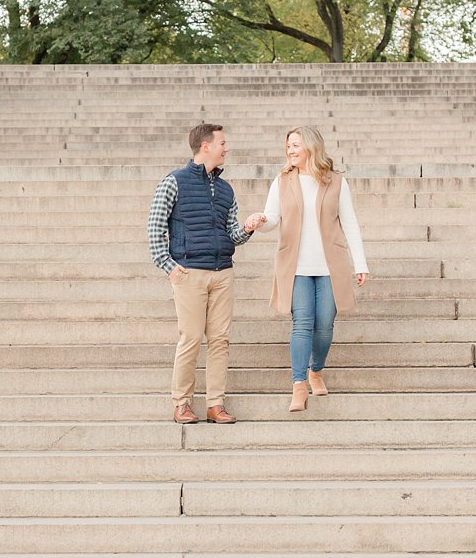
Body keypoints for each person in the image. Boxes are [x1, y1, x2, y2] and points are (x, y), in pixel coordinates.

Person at [246, 126, 368, 413]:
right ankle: (299, 384)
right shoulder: (282, 181)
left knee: (324, 325)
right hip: (296, 266)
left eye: (296, 145)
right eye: (288, 145)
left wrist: (360, 263)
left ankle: (316, 371)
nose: (290, 150)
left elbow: (349, 223)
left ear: (311, 147)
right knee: (302, 324)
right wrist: (261, 222)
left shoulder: (336, 182)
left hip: (330, 266)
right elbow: (273, 219)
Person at [148, 123, 264, 425]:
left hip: (223, 272)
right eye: (222, 143)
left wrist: (248, 227)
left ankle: (215, 404)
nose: (226, 148)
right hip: (189, 272)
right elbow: (154, 227)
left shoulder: (226, 189)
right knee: (190, 338)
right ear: (206, 146)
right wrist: (169, 267)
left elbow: (232, 234)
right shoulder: (173, 182)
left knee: (220, 340)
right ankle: (182, 403)